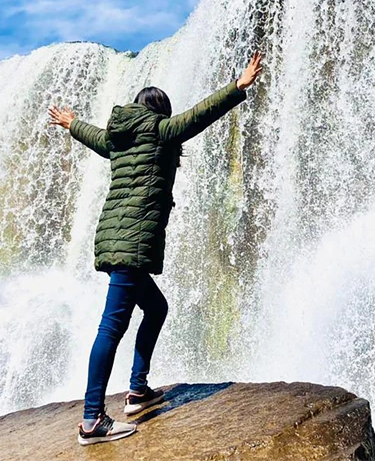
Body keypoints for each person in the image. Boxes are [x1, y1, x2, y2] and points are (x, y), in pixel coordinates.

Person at [48, 51, 264, 446]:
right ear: (160, 111)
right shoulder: (161, 130)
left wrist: (70, 123)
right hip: (132, 244)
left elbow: (93, 135)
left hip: (114, 240)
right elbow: (199, 115)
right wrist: (238, 86)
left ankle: (137, 390)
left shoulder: (119, 140)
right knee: (111, 327)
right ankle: (92, 419)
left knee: (156, 308)